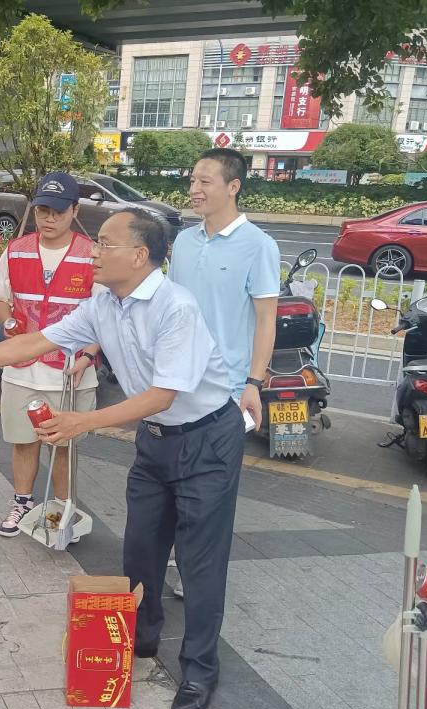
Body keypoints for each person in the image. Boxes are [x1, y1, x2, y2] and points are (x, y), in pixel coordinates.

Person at [0, 210, 243, 709]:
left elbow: (163, 394)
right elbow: (36, 342)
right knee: (140, 549)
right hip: (156, 441)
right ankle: (142, 637)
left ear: (138, 255)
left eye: (104, 243)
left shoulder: (175, 307)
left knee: (199, 560)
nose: (93, 252)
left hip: (207, 439)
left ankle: (200, 670)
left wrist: (82, 422)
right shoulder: (103, 304)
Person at [167, 148, 279, 600]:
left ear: (233, 186)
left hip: (226, 392)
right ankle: (175, 558)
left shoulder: (259, 245)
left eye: (205, 181)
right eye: (192, 180)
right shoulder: (185, 241)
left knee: (210, 494)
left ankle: (197, 574)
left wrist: (253, 383)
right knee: (172, 481)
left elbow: (266, 320)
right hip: (177, 384)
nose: (194, 189)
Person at [0, 172, 101, 537]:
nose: (49, 219)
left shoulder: (91, 255)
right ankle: (22, 502)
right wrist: (8, 323)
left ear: (75, 211)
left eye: (58, 212)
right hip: (22, 366)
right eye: (42, 211)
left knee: (63, 446)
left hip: (69, 369)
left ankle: (62, 512)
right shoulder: (16, 250)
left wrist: (88, 357)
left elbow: (106, 315)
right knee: (23, 440)